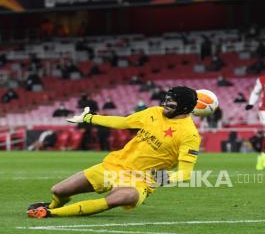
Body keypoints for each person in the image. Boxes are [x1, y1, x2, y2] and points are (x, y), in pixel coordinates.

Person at [26, 86, 200, 218]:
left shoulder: (189, 134)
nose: (164, 105)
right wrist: (89, 118)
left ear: (183, 108)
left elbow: (185, 174)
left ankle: (50, 214)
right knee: (59, 190)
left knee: (118, 198)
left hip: (140, 180)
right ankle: (53, 205)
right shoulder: (154, 112)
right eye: (166, 100)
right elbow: (122, 122)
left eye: (171, 103)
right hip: (113, 166)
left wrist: (166, 178)